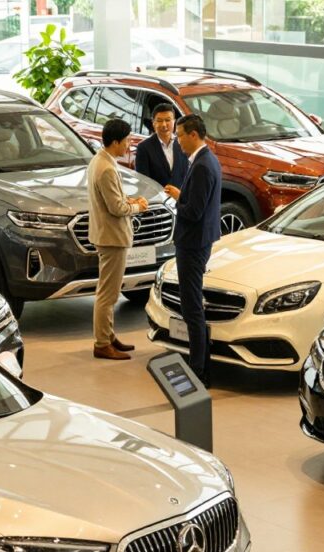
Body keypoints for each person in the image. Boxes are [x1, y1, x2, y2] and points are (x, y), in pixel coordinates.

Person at [164, 114, 221, 384]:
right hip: (199, 241)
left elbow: (194, 211)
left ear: (194, 134)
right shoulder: (205, 160)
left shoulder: (201, 165)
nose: (177, 140)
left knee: (192, 308)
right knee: (192, 305)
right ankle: (201, 366)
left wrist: (178, 200)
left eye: (180, 135)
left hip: (192, 243)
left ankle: (198, 370)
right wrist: (182, 195)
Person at [87, 118, 149, 360]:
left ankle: (109, 335)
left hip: (105, 234)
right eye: (127, 141)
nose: (129, 145)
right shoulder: (107, 168)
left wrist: (130, 201)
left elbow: (111, 200)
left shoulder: (100, 160)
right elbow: (116, 208)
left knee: (108, 290)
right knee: (108, 294)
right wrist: (138, 208)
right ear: (115, 142)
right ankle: (102, 343)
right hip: (112, 237)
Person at [135, 103, 189, 191]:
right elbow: (142, 182)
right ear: (153, 123)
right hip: (157, 201)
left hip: (179, 200)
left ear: (174, 121)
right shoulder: (144, 148)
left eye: (168, 120)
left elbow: (186, 175)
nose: (164, 125)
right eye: (159, 120)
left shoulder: (182, 143)